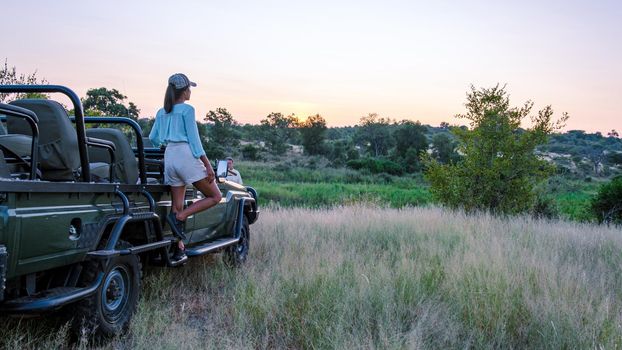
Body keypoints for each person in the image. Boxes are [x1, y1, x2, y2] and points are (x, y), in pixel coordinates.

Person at [149, 73, 222, 260]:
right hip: (185, 155)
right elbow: (195, 141)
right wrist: (207, 165)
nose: (191, 91)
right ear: (183, 91)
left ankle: (179, 248)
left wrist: (166, 143)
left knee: (177, 205)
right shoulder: (187, 110)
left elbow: (153, 139)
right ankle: (181, 218)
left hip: (170, 156)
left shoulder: (161, 112)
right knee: (215, 196)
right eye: (189, 88)